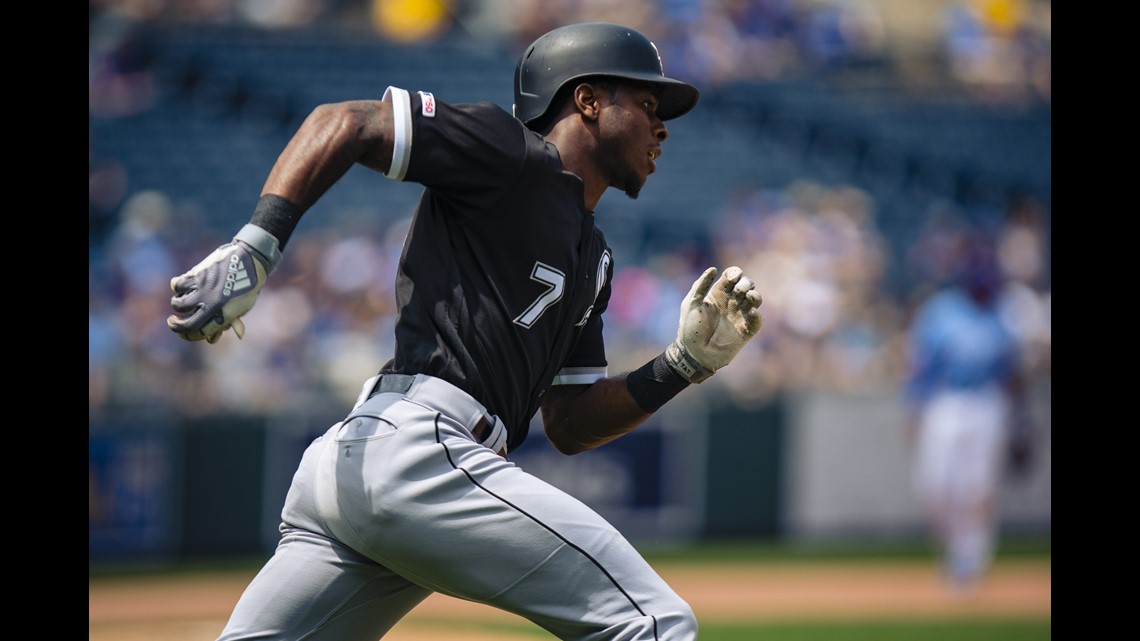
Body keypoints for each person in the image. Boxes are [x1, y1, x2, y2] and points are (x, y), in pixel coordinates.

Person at [166, 22, 764, 641]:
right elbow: (342, 121)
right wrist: (255, 248)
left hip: (368, 470)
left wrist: (681, 365)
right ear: (586, 100)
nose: (661, 125)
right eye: (646, 104)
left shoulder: (594, 256)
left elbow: (570, 424)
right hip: (419, 449)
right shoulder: (512, 153)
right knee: (656, 623)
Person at [901, 229, 1032, 591]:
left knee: (977, 488)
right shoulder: (940, 310)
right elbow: (921, 369)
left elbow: (1014, 374)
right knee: (934, 486)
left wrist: (1023, 424)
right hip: (945, 403)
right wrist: (913, 411)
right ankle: (954, 550)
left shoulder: (1005, 312)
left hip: (988, 404)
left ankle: (970, 559)